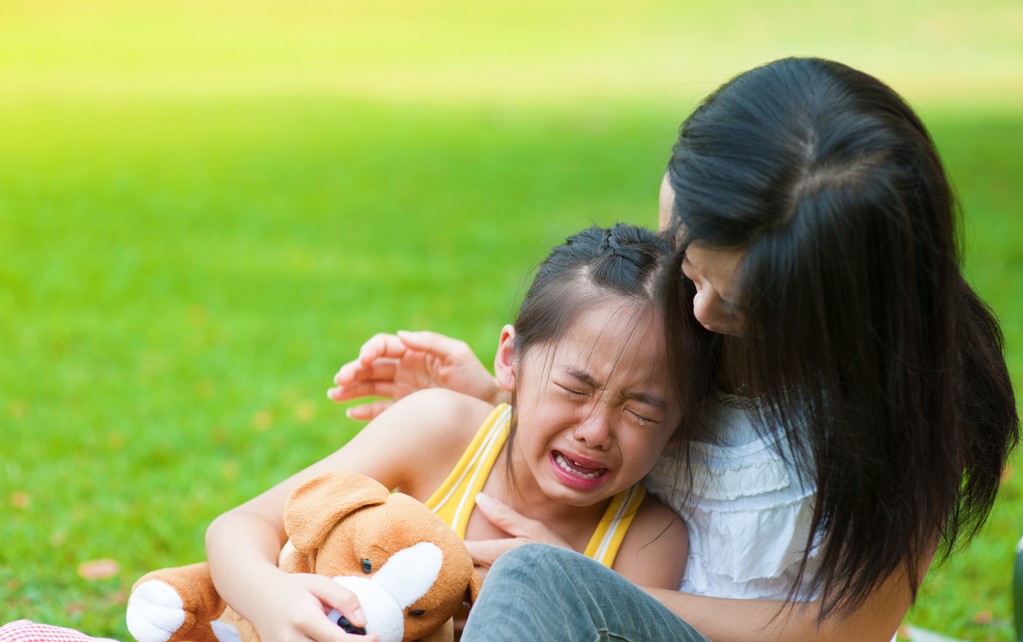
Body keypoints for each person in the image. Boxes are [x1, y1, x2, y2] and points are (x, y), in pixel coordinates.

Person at [328, 57, 1019, 641]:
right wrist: (497, 400)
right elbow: (618, 425)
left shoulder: (920, 394)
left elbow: (845, 629)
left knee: (531, 578)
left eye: (748, 306)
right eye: (689, 263)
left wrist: (582, 584)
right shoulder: (682, 304)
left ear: (842, 304)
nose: (699, 311)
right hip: (614, 604)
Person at [206, 223, 690, 642]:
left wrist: (563, 582)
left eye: (641, 414)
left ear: (677, 428)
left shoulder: (649, 538)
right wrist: (272, 602)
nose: (595, 431)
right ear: (510, 360)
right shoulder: (442, 430)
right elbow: (242, 526)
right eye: (573, 388)